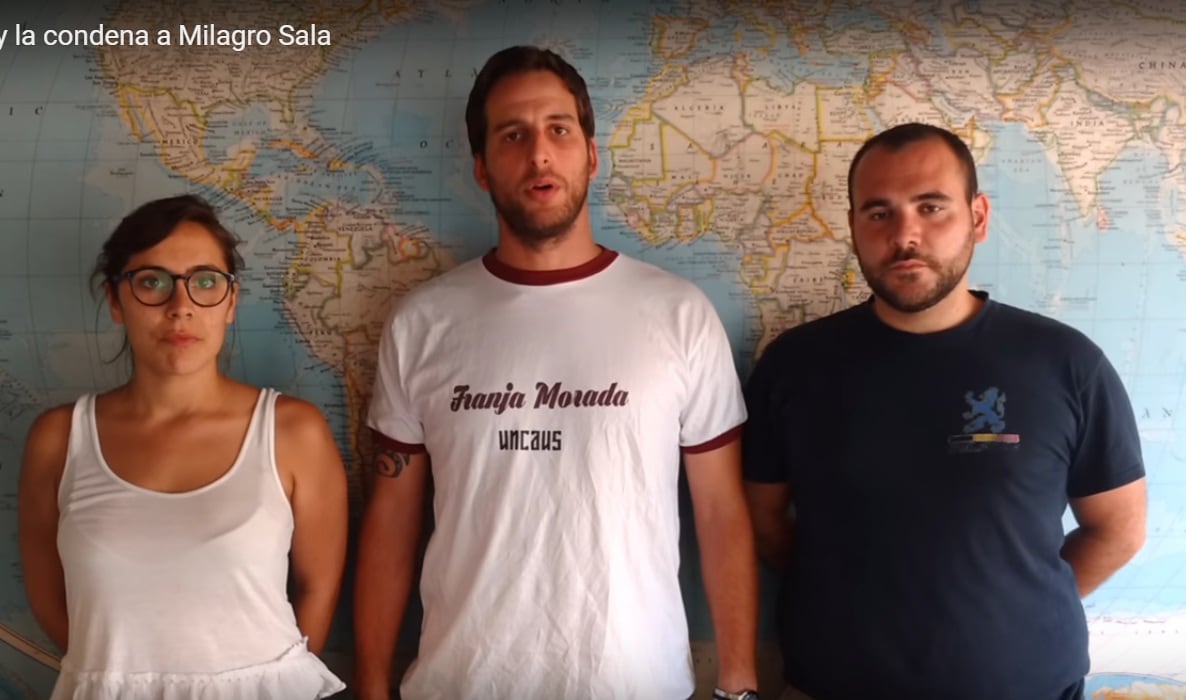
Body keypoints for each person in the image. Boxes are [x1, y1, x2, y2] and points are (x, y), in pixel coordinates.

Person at [354, 45, 760, 700]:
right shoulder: (421, 323)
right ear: (482, 168)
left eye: (559, 130)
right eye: (513, 135)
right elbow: (392, 520)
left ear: (591, 155)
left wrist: (738, 685)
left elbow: (720, 511)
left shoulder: (679, 314)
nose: (539, 154)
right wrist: (372, 687)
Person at [743, 122, 1148, 700]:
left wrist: (1017, 604)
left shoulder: (1066, 364)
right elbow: (765, 524)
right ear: (854, 225)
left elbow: (1119, 529)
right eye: (879, 213)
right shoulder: (794, 365)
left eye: (931, 207)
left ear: (977, 217)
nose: (905, 235)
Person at [18, 195, 349, 699]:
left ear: (231, 302)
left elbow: (319, 589)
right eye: (152, 282)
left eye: (206, 282)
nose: (181, 307)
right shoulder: (59, 440)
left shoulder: (293, 432)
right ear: (115, 301)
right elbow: (50, 601)